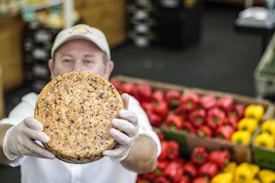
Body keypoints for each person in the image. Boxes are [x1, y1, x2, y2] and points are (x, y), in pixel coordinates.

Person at [0, 24, 161, 183]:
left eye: (88, 61)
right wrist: (9, 141)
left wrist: (129, 147)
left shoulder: (126, 108)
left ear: (107, 69)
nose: (77, 69)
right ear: (52, 68)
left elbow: (149, 159)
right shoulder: (36, 106)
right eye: (67, 60)